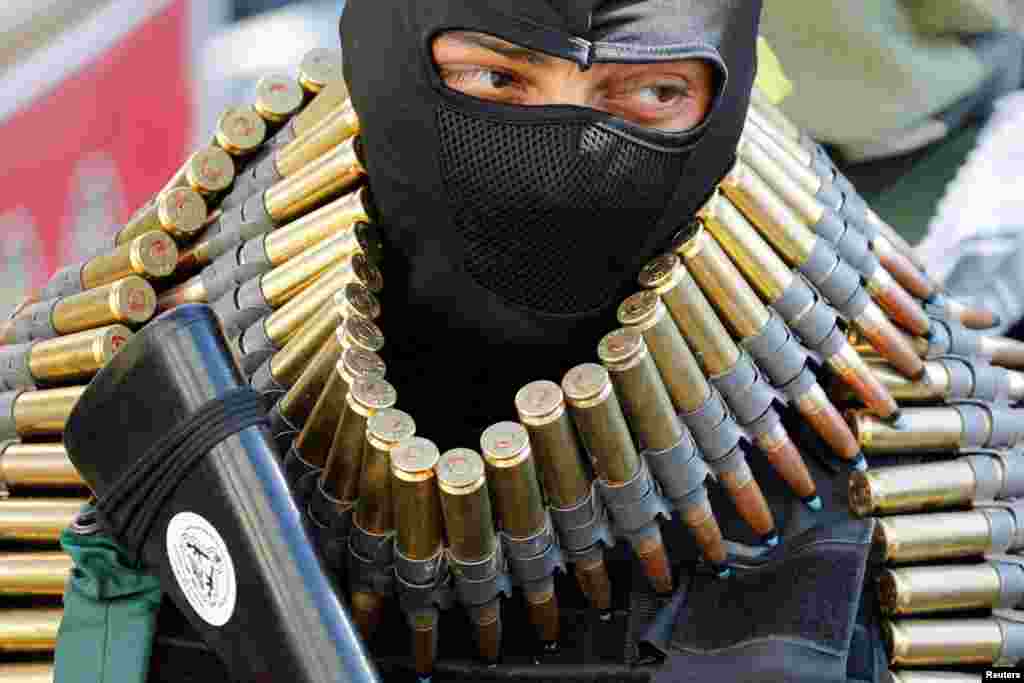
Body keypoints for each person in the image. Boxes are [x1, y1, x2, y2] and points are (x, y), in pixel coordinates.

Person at [51, 2, 983, 682]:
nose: (566, 157)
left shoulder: (884, 418)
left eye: (651, 93)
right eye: (495, 79)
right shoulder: (147, 367)